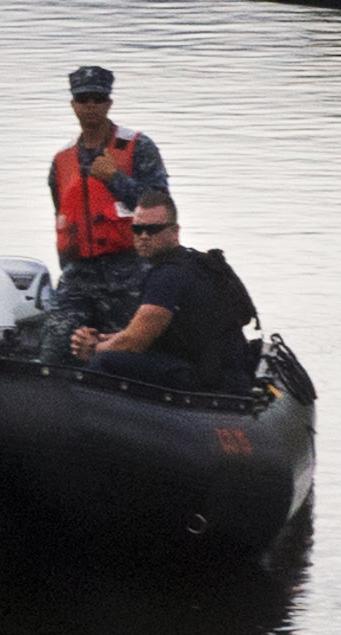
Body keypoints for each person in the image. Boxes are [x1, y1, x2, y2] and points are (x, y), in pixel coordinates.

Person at [70, 196, 260, 393]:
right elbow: (148, 335)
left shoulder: (168, 275)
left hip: (209, 376)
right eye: (137, 229)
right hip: (221, 368)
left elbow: (134, 343)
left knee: (104, 362)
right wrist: (101, 339)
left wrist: (93, 350)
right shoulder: (192, 262)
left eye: (153, 230)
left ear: (174, 231)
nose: (144, 236)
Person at [45, 65, 167, 337]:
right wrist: (67, 268)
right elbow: (61, 219)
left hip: (129, 275)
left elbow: (161, 209)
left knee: (123, 357)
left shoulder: (138, 146)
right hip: (78, 278)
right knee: (53, 350)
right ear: (73, 104)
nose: (90, 106)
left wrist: (115, 178)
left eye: (98, 99)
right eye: (83, 99)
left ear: (109, 103)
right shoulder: (61, 160)